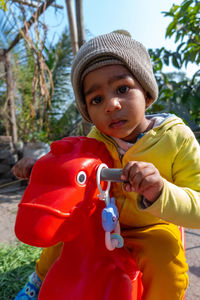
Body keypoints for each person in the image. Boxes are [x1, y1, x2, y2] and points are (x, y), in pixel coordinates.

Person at [14, 31, 200, 300]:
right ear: (88, 112)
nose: (111, 105)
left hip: (152, 226)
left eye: (123, 89)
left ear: (147, 94)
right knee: (62, 237)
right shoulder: (95, 139)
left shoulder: (176, 139)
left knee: (167, 265)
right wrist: (40, 165)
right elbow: (66, 163)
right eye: (96, 100)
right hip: (101, 223)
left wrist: (160, 192)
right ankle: (39, 280)